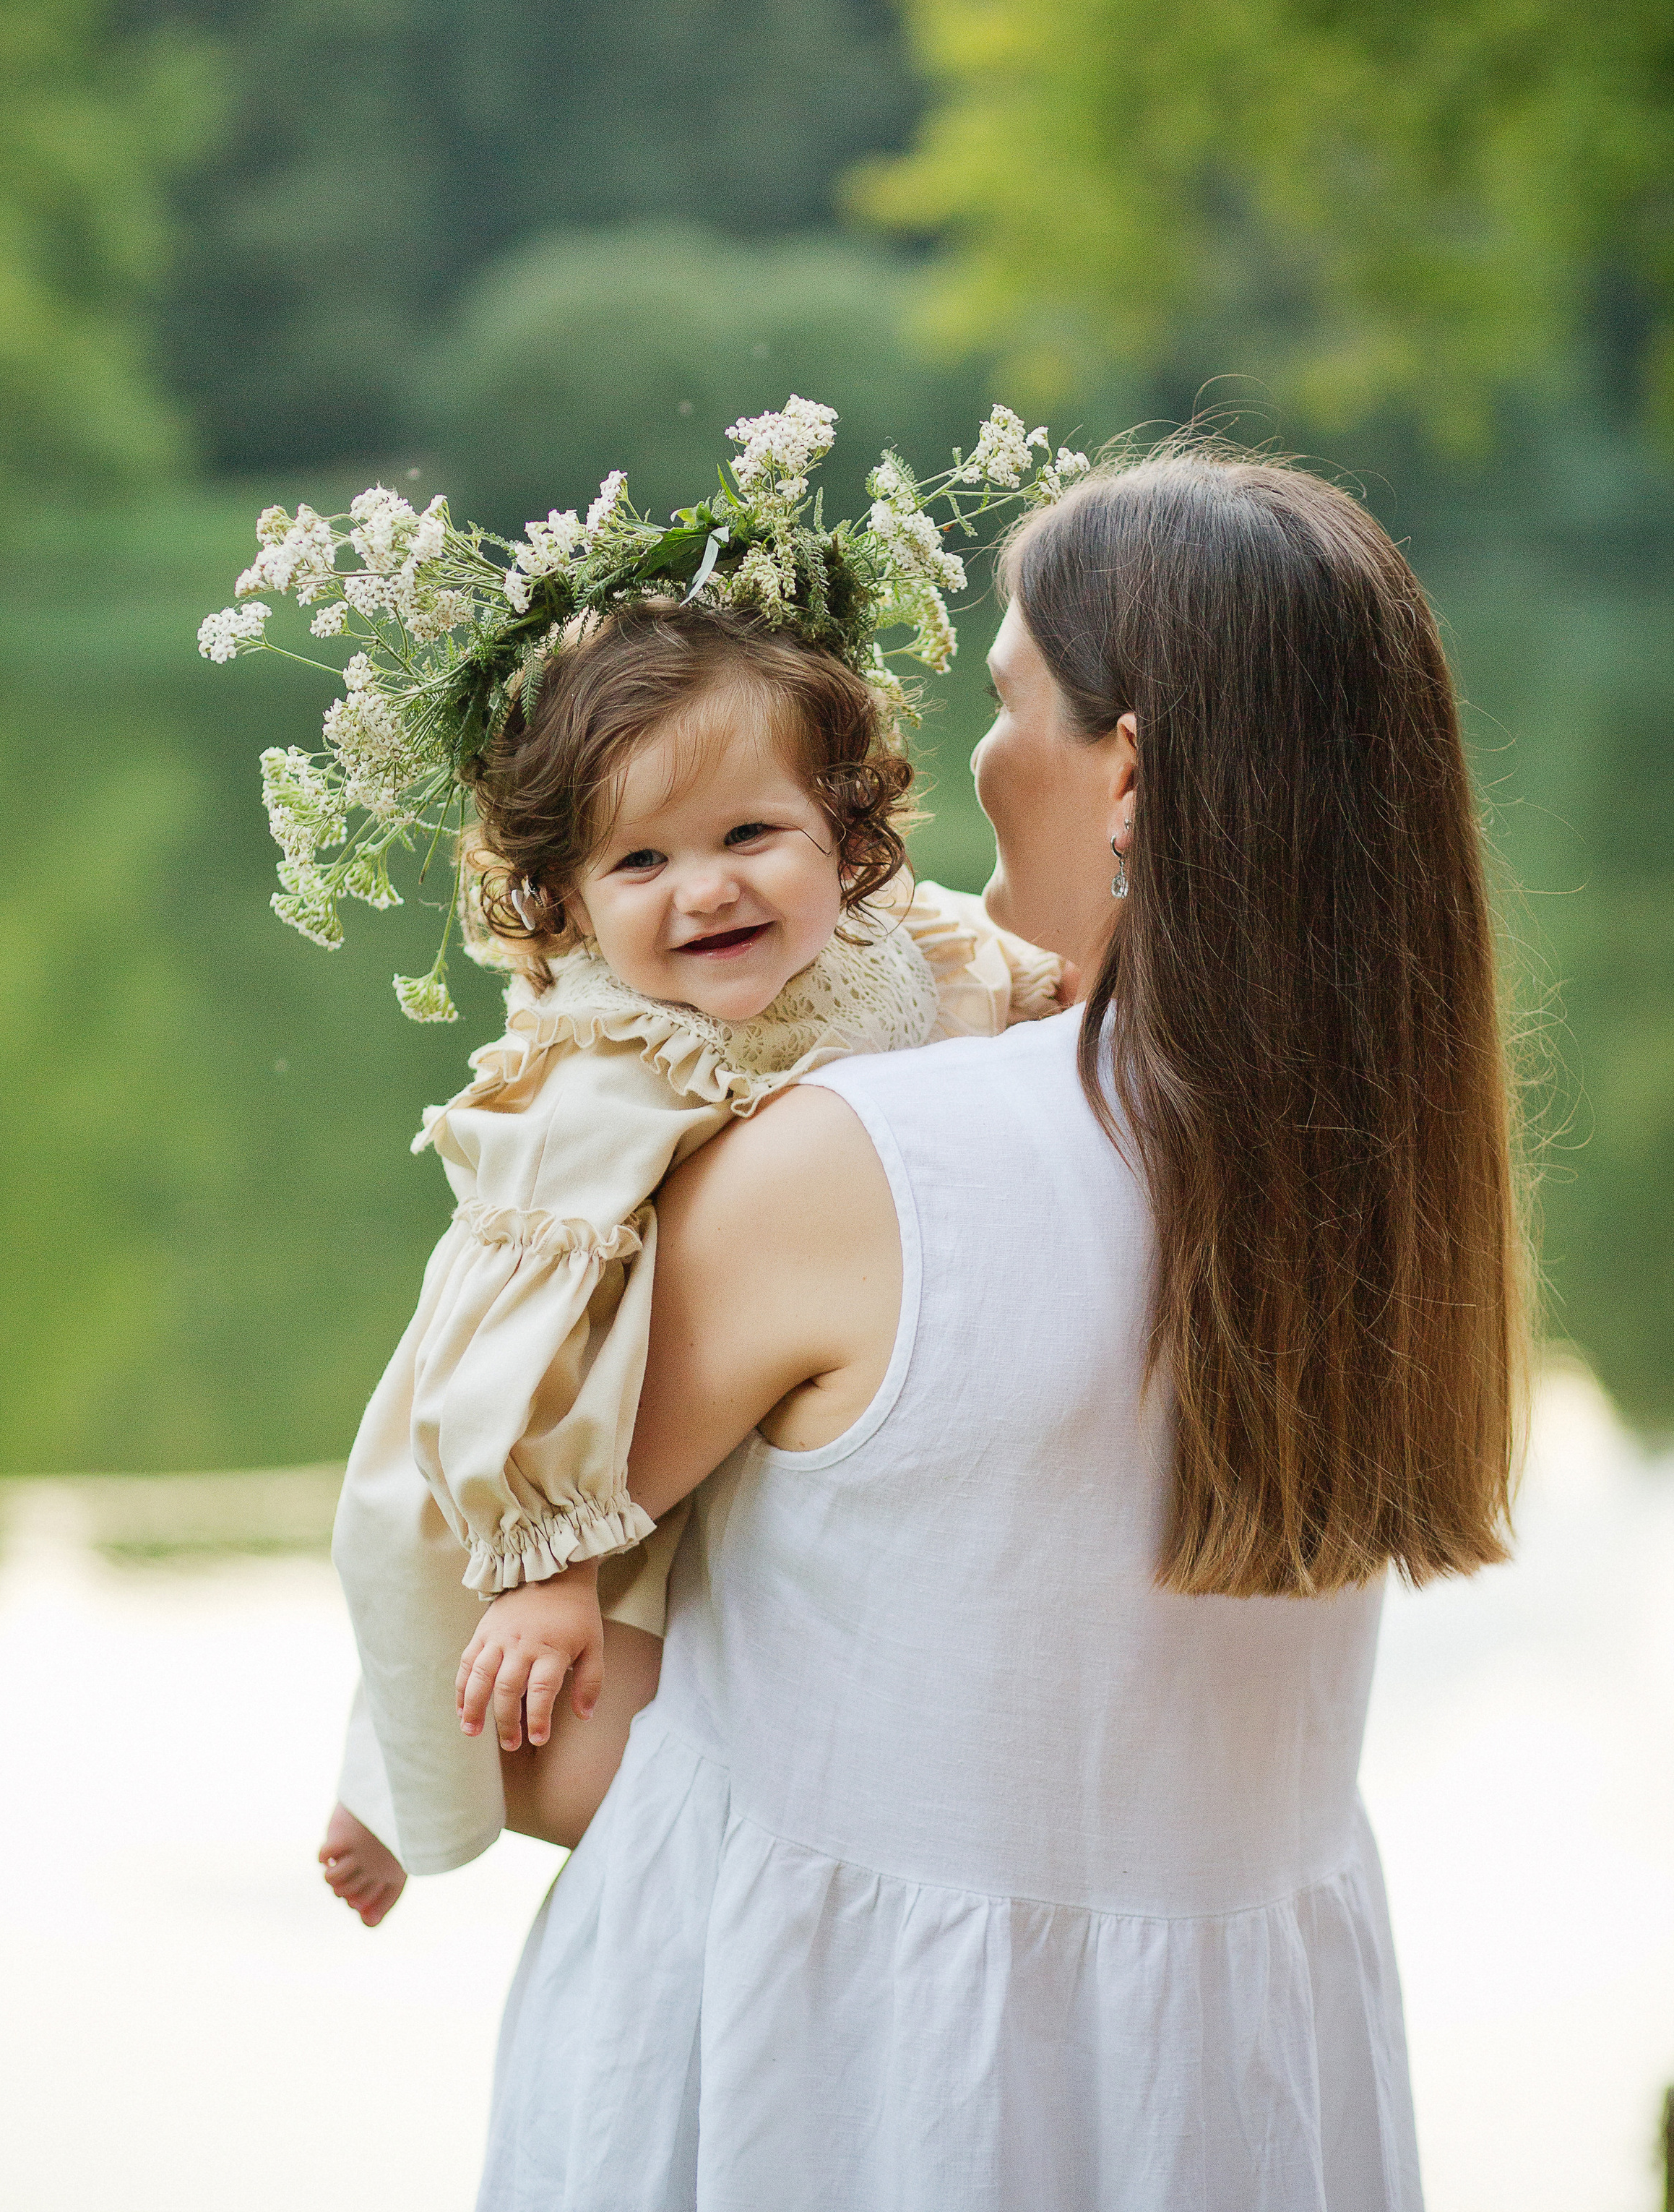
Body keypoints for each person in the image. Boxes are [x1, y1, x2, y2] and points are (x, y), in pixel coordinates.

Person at [473, 446, 1528, 2212]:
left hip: (849, 2085)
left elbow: (513, 1714)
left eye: (1008, 697)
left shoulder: (857, 1169)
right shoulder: (1397, 1189)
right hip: (1242, 2090)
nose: (969, 761)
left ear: (1127, 772)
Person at [257, 401, 1080, 1921]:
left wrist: (1050, 1000)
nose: (701, 892)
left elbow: (971, 995)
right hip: (557, 1400)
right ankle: (385, 1761)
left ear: (845, 835)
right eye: (638, 863)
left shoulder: (885, 944)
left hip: (758, 1382)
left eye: (746, 835)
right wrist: (552, 1558)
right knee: (486, 1640)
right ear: (564, 905)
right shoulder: (608, 1067)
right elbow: (515, 1333)